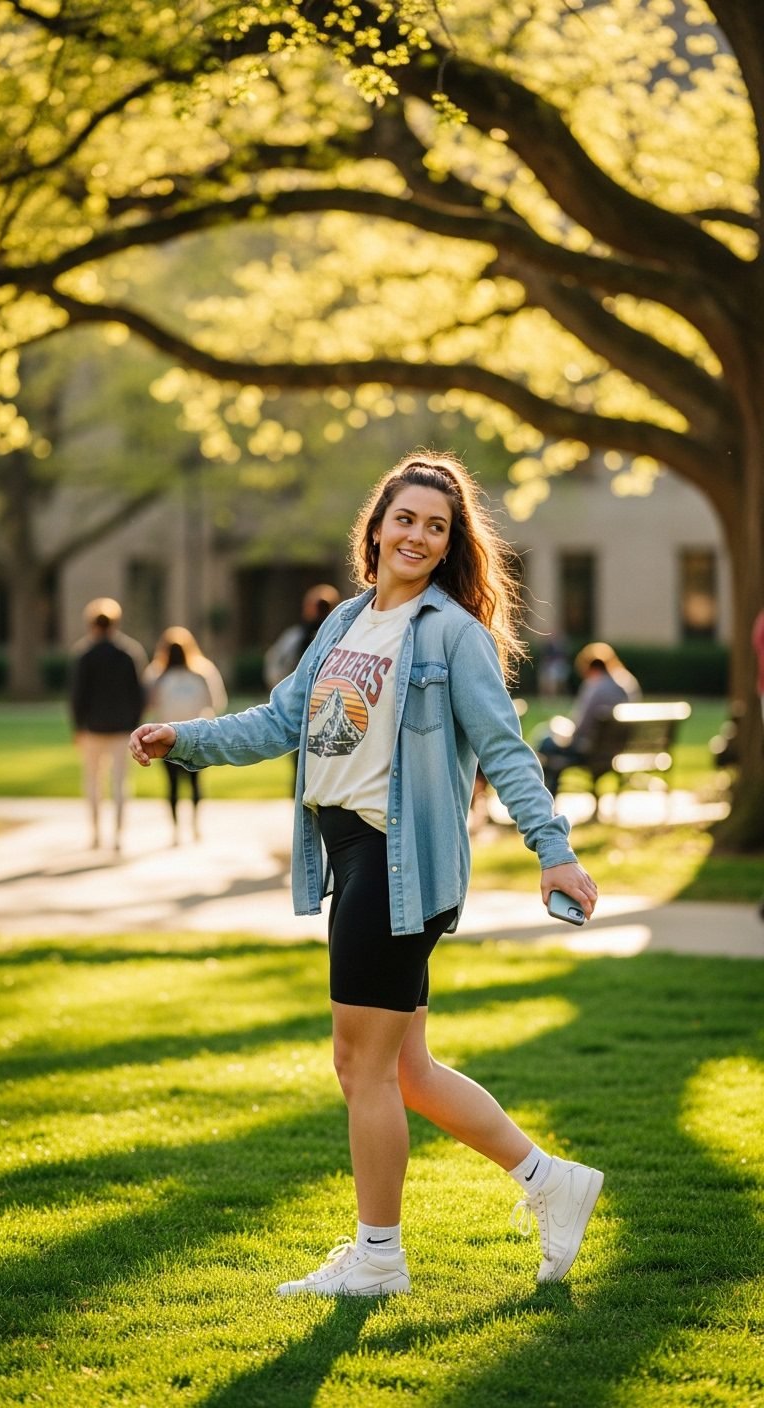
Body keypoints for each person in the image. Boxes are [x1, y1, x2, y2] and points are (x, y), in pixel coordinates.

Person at [130, 450, 602, 1297]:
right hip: (353, 856)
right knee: (406, 1069)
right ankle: (551, 1183)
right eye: (406, 519)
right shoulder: (346, 622)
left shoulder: (453, 633)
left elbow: (505, 748)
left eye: (437, 526)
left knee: (362, 1068)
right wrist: (188, 739)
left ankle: (380, 1258)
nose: (418, 535)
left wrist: (553, 848)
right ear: (377, 527)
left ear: (451, 543)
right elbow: (282, 720)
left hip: (400, 862)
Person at [70, 597, 147, 851]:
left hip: (93, 728)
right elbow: (138, 695)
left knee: (93, 783)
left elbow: (78, 695)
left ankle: (95, 833)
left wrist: (78, 727)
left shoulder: (85, 654)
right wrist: (135, 724)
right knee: (120, 784)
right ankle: (118, 834)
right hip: (122, 728)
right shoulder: (128, 653)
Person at [534, 642, 641, 800]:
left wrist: (560, 730)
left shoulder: (595, 686)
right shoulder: (627, 684)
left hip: (591, 751)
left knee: (546, 742)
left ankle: (543, 798)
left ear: (591, 668)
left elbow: (580, 728)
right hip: (618, 749)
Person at [145, 634, 225, 842]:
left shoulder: (157, 677)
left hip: (166, 738)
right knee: (195, 782)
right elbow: (216, 703)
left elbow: (151, 705)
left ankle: (175, 829)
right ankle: (195, 825)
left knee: (172, 785)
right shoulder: (201, 675)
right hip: (195, 736)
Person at [264, 584, 341, 792]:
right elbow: (275, 663)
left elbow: (274, 663)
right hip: (316, 706)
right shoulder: (299, 637)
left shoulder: (303, 636)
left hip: (319, 707)